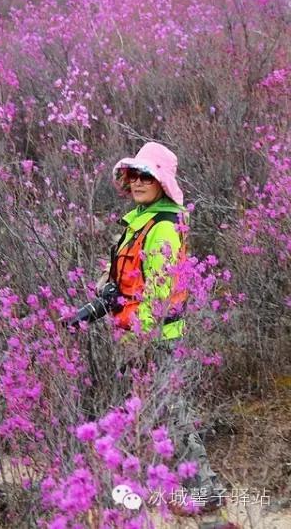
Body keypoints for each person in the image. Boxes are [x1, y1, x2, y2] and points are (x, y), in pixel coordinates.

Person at [76, 142, 226, 514]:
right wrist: (105, 290)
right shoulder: (142, 220)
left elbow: (159, 296)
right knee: (151, 413)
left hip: (155, 338)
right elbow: (130, 274)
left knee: (171, 414)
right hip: (138, 334)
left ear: (162, 181)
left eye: (148, 175)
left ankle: (206, 491)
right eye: (135, 175)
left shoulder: (162, 227)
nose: (139, 181)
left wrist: (134, 335)